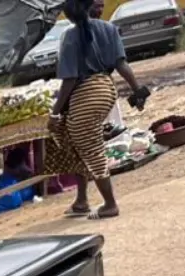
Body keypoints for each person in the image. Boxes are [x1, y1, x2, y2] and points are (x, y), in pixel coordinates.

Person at [47, 0, 148, 220]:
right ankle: (81, 201)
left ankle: (110, 204)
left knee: (88, 145)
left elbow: (70, 79)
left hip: (87, 93)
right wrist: (138, 92)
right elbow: (122, 66)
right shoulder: (108, 28)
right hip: (105, 88)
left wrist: (55, 112)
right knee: (73, 141)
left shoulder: (71, 36)